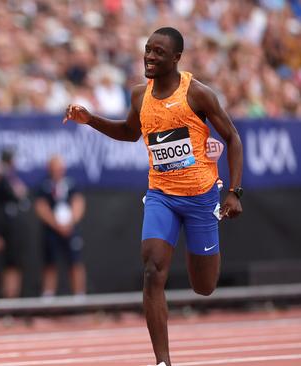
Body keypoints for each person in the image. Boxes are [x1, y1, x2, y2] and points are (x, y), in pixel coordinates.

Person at [63, 27, 243, 366]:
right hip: (161, 195)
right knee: (152, 270)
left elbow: (232, 138)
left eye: (158, 52)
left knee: (204, 286)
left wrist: (233, 191)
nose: (149, 56)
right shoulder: (138, 96)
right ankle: (162, 361)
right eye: (147, 50)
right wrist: (90, 120)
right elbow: (130, 133)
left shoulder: (198, 94)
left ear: (176, 58)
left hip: (202, 197)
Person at [34, 155, 86, 297]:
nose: (58, 170)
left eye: (60, 168)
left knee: (75, 262)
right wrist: (56, 225)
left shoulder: (71, 184)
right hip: (52, 230)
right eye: (55, 168)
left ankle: (79, 296)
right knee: (50, 263)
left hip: (70, 229)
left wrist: (71, 222)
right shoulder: (44, 185)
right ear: (49, 168)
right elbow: (41, 207)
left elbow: (78, 202)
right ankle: (48, 296)